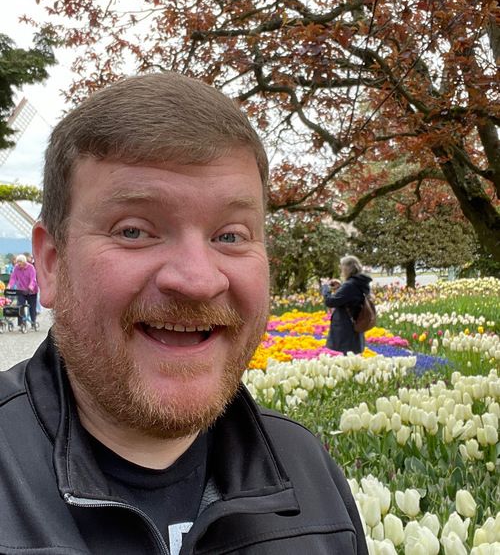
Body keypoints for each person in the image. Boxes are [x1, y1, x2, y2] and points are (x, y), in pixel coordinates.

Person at [0, 73, 368, 555]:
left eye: (230, 236)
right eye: (133, 231)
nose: (197, 280)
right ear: (50, 264)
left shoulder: (309, 474)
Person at [324, 255, 373, 355]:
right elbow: (350, 297)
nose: (341, 269)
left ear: (347, 268)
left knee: (348, 357)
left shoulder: (350, 285)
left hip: (346, 327)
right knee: (353, 356)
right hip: (356, 323)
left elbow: (330, 302)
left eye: (342, 266)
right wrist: (341, 286)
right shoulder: (360, 282)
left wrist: (326, 289)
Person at [6, 253, 39, 328]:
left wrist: (30, 288)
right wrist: (9, 286)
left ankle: (33, 322)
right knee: (20, 306)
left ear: (24, 262)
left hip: (31, 291)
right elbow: (13, 278)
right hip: (21, 290)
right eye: (17, 262)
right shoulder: (16, 268)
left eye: (19, 262)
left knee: (32, 307)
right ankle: (21, 323)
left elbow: (33, 279)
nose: (18, 264)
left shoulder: (31, 268)